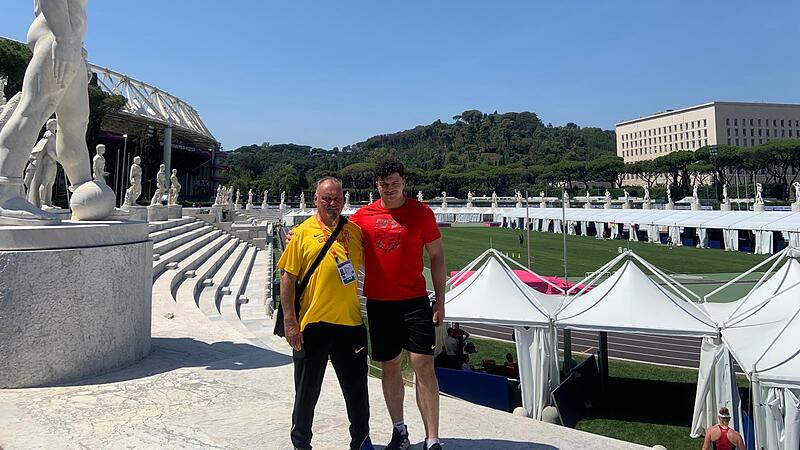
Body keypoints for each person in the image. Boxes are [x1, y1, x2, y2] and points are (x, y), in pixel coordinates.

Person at [350, 158, 447, 450]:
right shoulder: (362, 216)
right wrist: (298, 232)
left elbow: (437, 256)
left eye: (395, 183)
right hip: (380, 303)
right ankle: (399, 430)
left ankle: (432, 438)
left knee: (423, 364)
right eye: (384, 184)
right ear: (377, 185)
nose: (390, 188)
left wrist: (440, 300)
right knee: (390, 365)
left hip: (415, 301)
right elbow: (334, 233)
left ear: (404, 182)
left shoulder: (421, 213)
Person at [277, 177, 372, 450]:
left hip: (350, 324)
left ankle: (361, 441)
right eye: (326, 198)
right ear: (316, 200)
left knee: (357, 391)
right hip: (312, 325)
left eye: (337, 198)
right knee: (306, 392)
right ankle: (301, 443)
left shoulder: (354, 232)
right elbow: (287, 278)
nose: (332, 203)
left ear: (343, 200)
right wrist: (290, 322)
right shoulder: (302, 233)